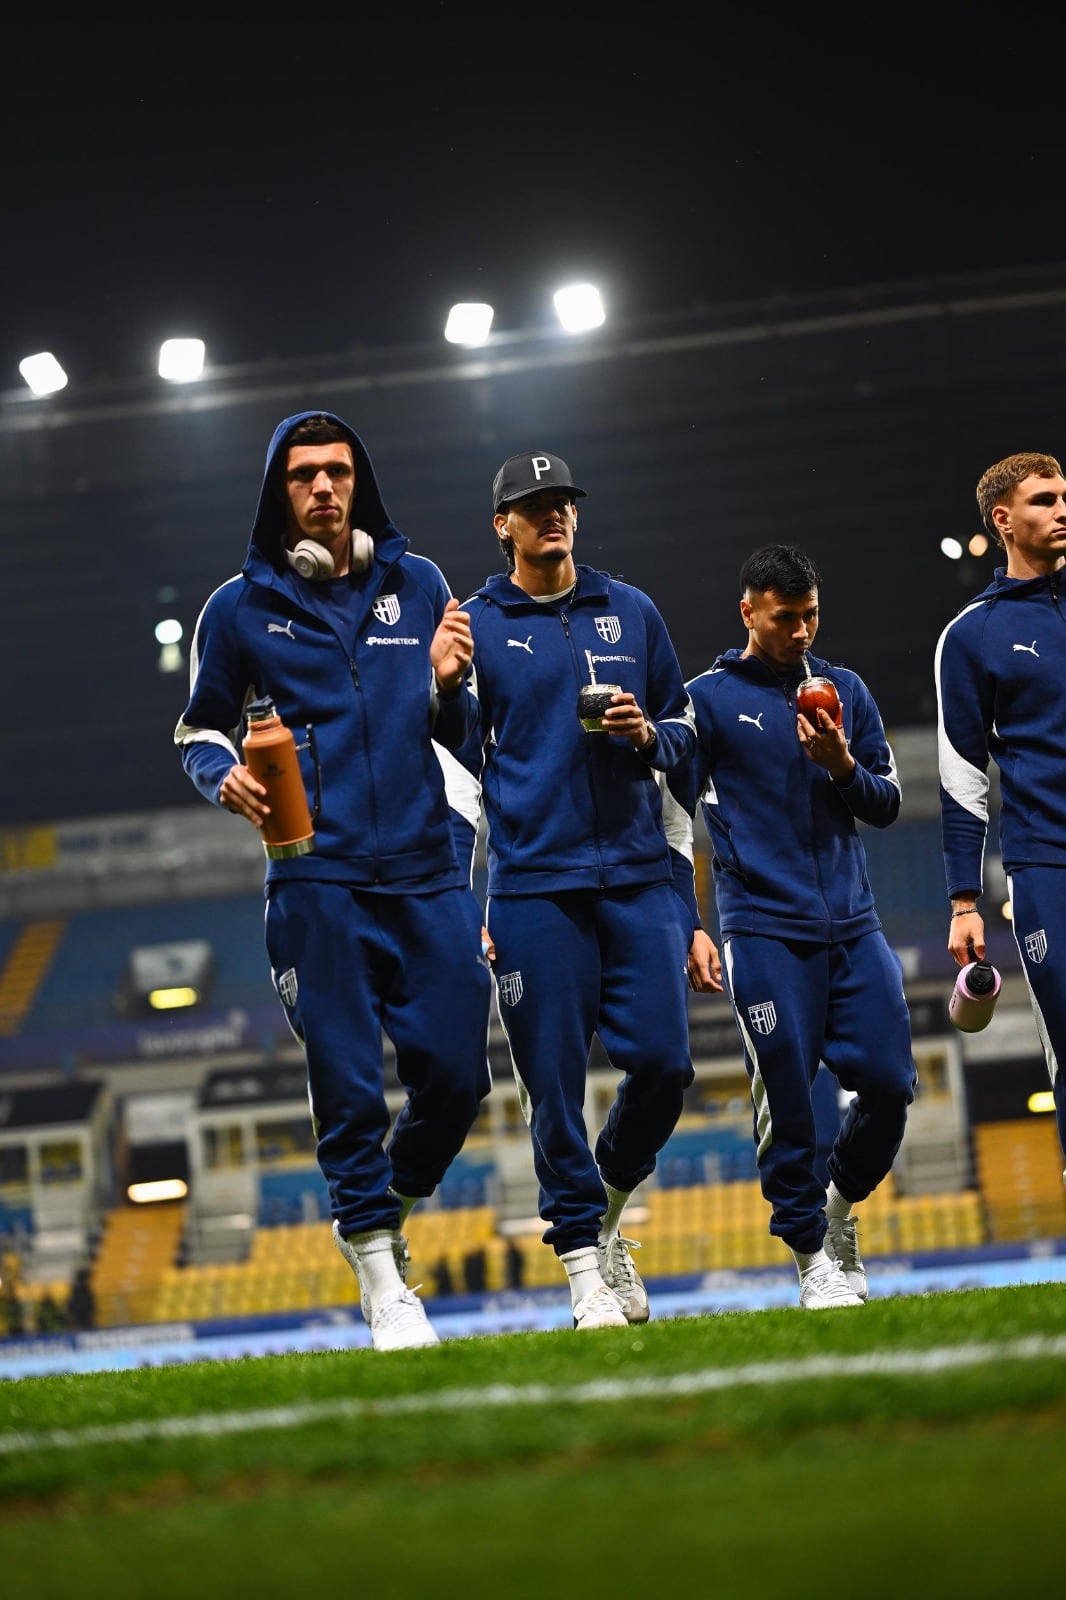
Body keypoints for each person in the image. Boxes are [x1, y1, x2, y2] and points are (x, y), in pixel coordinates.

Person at [175, 410, 492, 1351]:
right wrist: (220, 773)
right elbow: (198, 728)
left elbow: (466, 741)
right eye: (304, 474)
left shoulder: (421, 584)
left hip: (426, 874)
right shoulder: (236, 608)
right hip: (314, 881)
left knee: (459, 1078)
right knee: (347, 1083)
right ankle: (382, 1273)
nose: (322, 488)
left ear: (360, 485)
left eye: (338, 473)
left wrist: (443, 688)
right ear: (279, 492)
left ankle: (378, 1212)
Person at [454, 449, 718, 1330]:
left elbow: (687, 737)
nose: (553, 516)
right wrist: (473, 904)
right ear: (504, 525)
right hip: (533, 889)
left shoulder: (632, 611)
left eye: (563, 501)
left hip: (639, 880)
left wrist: (652, 736)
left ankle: (603, 1213)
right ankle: (580, 1271)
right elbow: (451, 766)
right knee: (552, 1086)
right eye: (534, 507)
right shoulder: (476, 624)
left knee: (667, 1066)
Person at [667, 543, 916, 1309]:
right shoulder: (704, 699)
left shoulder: (845, 690)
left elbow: (887, 804)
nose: (802, 631)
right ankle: (811, 1259)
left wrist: (842, 763)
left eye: (812, 615)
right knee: (789, 1096)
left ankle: (837, 1209)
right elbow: (672, 818)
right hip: (764, 931)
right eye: (786, 618)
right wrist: (690, 924)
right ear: (749, 612)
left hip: (853, 923)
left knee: (892, 1085)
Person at [935, 451, 1066, 1177]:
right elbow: (960, 777)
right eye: (1045, 499)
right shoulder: (972, 635)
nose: (1062, 509)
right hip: (1047, 862)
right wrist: (964, 900)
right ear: (1003, 519)